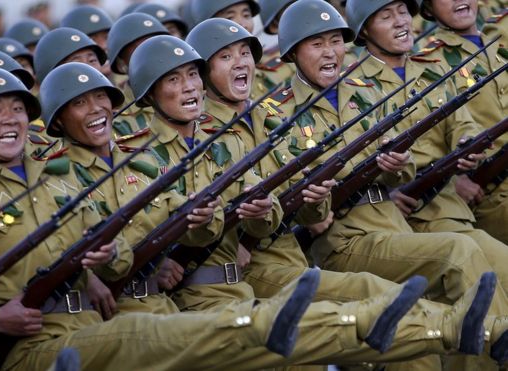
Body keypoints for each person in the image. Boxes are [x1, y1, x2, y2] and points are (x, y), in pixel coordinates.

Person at [122, 33, 507, 367]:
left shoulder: (259, 123)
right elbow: (141, 238)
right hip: (247, 272)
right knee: (374, 304)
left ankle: (485, 336)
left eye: (243, 53)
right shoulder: (152, 152)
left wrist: (314, 200)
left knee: (372, 317)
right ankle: (487, 336)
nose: (190, 86)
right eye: (225, 57)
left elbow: (287, 209)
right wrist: (231, 237)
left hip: (280, 260)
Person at [0, 66, 321, 371]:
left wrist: (205, 223)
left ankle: (281, 324)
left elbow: (122, 249)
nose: (11, 119)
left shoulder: (55, 183)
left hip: (103, 323)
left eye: (17, 109)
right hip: (39, 343)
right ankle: (272, 324)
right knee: (169, 337)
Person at [345, 3, 508, 368]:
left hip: (445, 210)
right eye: (386, 17)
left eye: (403, 12)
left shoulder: (431, 69)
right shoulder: (355, 86)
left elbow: (461, 122)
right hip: (396, 221)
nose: (401, 21)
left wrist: (467, 149)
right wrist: (392, 185)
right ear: (365, 32)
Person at [39, 62, 223, 316]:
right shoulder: (53, 179)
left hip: (163, 305)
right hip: (113, 314)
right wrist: (89, 279)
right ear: (58, 120)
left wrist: (206, 217)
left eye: (101, 96)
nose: (95, 108)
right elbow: (49, 256)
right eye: (79, 103)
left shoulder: (141, 161)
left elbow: (183, 224)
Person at [419, 0, 508, 245]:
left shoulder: (498, 45)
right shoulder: (429, 64)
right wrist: (451, 181)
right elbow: (428, 137)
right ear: (428, 8)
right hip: (491, 193)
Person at [106, 13, 169, 136]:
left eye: (159, 46)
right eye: (141, 50)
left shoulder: (195, 94)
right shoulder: (117, 121)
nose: (155, 55)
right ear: (120, 64)